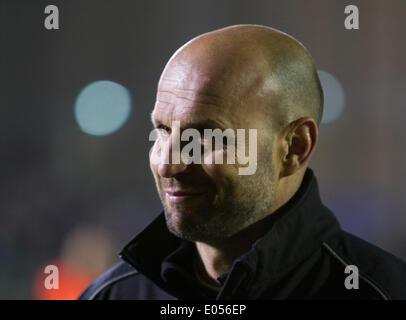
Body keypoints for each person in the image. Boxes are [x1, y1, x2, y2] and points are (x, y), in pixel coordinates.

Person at [79, 24, 406, 300]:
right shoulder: (111, 295)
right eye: (163, 131)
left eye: (207, 137)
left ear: (294, 147)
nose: (167, 165)